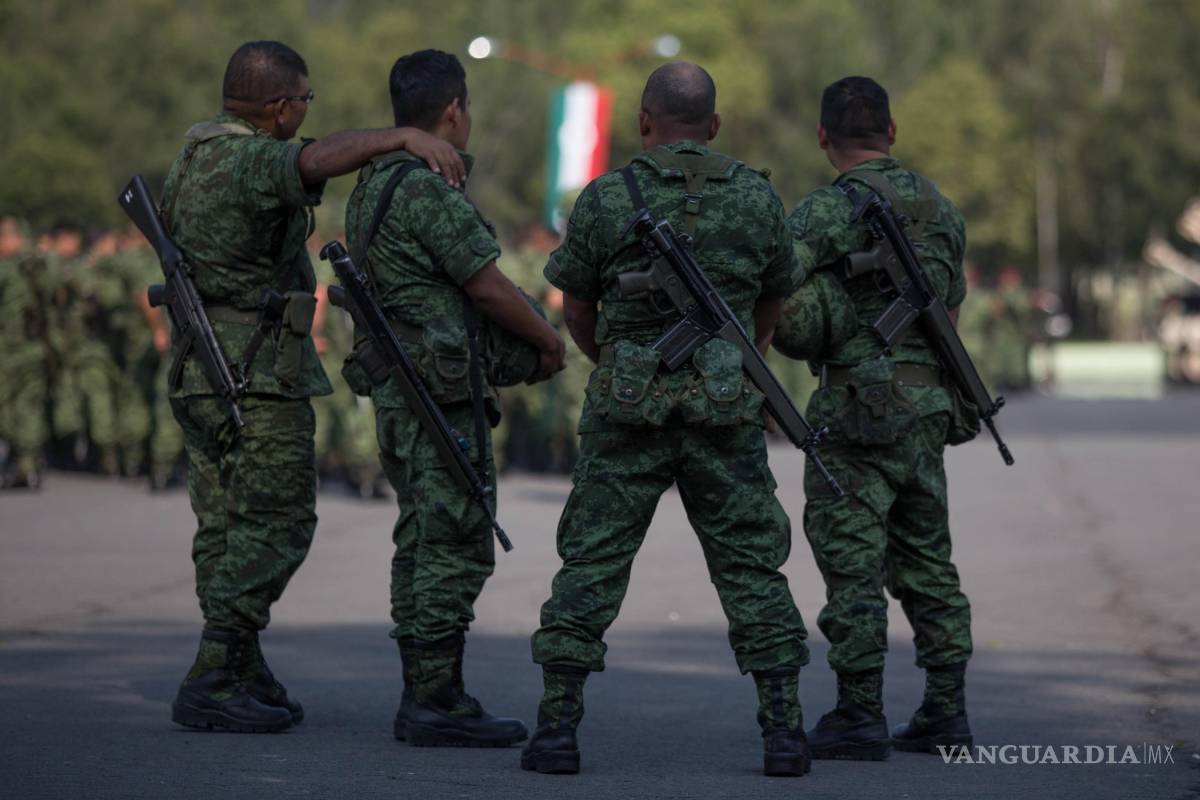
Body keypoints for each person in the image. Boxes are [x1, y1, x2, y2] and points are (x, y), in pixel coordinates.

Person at [163, 40, 467, 734]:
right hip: (251, 373)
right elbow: (317, 158)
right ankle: (214, 672)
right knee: (279, 523)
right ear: (278, 108)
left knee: (226, 526)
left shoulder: (194, 153)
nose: (306, 112)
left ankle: (241, 665)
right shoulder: (248, 158)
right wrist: (401, 136)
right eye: (305, 100)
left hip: (200, 368)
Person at [523, 62, 812, 777]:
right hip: (725, 413)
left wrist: (622, 364)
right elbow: (773, 302)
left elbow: (577, 308)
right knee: (751, 565)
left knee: (591, 563)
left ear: (644, 121)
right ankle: (784, 732)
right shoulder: (755, 195)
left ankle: (556, 729)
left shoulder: (605, 196)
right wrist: (734, 359)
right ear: (713, 125)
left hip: (628, 413)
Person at [343, 49, 565, 748]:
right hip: (435, 396)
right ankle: (434, 699)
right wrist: (548, 340)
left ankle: (427, 690)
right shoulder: (423, 189)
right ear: (452, 112)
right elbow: (486, 284)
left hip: (403, 388)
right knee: (454, 541)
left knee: (422, 536)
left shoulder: (372, 185)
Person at [778, 76, 974, 761]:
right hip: (926, 406)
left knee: (852, 564)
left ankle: (859, 710)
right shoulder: (942, 209)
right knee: (928, 559)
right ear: (891, 132)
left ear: (822, 137)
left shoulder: (825, 209)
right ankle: (947, 709)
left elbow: (778, 286)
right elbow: (950, 307)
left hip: (854, 408)